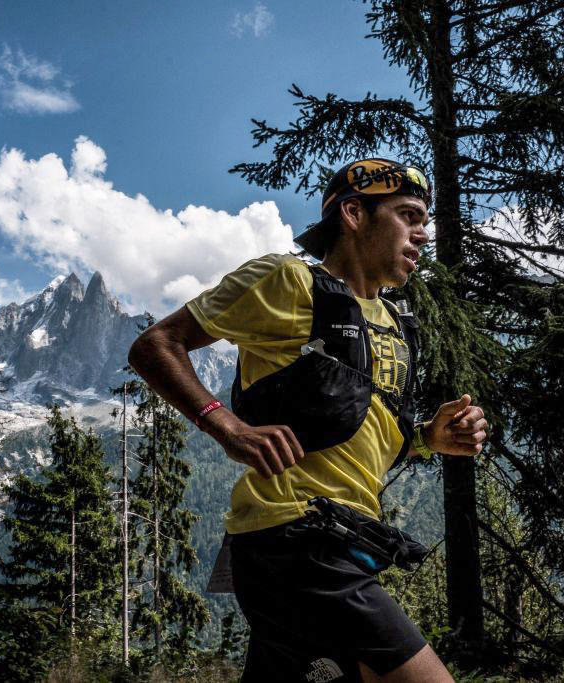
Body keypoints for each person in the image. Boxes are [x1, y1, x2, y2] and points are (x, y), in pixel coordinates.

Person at [128, 158, 488, 683]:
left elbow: (356, 438)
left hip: (343, 542)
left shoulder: (395, 323)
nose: (421, 235)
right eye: (408, 216)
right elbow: (156, 344)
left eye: (424, 223)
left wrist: (429, 440)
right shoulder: (286, 280)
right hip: (298, 541)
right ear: (353, 214)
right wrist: (225, 425)